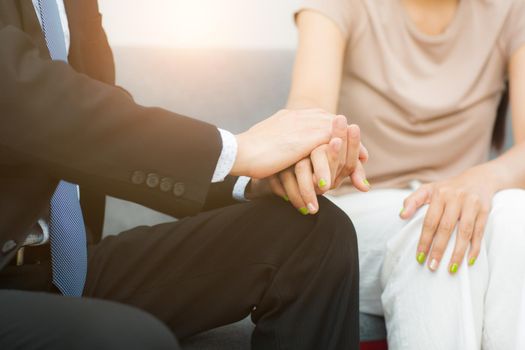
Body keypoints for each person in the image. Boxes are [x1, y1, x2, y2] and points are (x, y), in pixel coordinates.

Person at [0, 0, 366, 349]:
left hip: (60, 265)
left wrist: (251, 182)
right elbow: (21, 97)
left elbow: (94, 130)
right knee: (135, 340)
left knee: (314, 234)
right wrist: (238, 150)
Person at [268, 0, 525, 349]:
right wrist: (312, 149)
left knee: (517, 215)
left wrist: (480, 179)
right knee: (439, 230)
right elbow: (308, 107)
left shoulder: (510, 11)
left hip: (466, 201)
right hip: (360, 210)